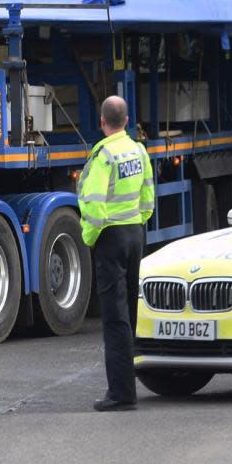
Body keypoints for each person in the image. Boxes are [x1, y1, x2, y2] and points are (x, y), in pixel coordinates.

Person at [77, 95, 154, 412]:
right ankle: (126, 388)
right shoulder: (138, 150)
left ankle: (121, 393)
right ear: (125, 120)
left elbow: (94, 204)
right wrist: (138, 223)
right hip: (134, 232)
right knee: (129, 315)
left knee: (114, 318)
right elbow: (148, 196)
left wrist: (89, 236)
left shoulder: (104, 155)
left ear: (102, 121)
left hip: (110, 236)